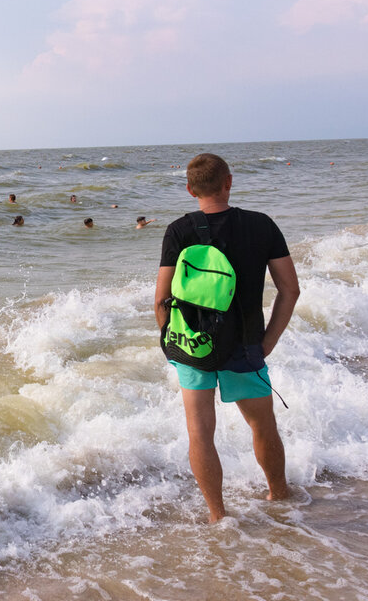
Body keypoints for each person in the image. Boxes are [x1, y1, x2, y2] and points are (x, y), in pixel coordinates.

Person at [154, 152, 299, 523]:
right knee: (262, 425)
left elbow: (161, 301)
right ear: (229, 182)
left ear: (190, 190)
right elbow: (290, 290)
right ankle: (279, 496)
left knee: (200, 432)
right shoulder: (261, 225)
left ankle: (218, 516)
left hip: (193, 345)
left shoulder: (178, 230)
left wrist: (175, 346)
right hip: (246, 343)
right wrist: (267, 342)